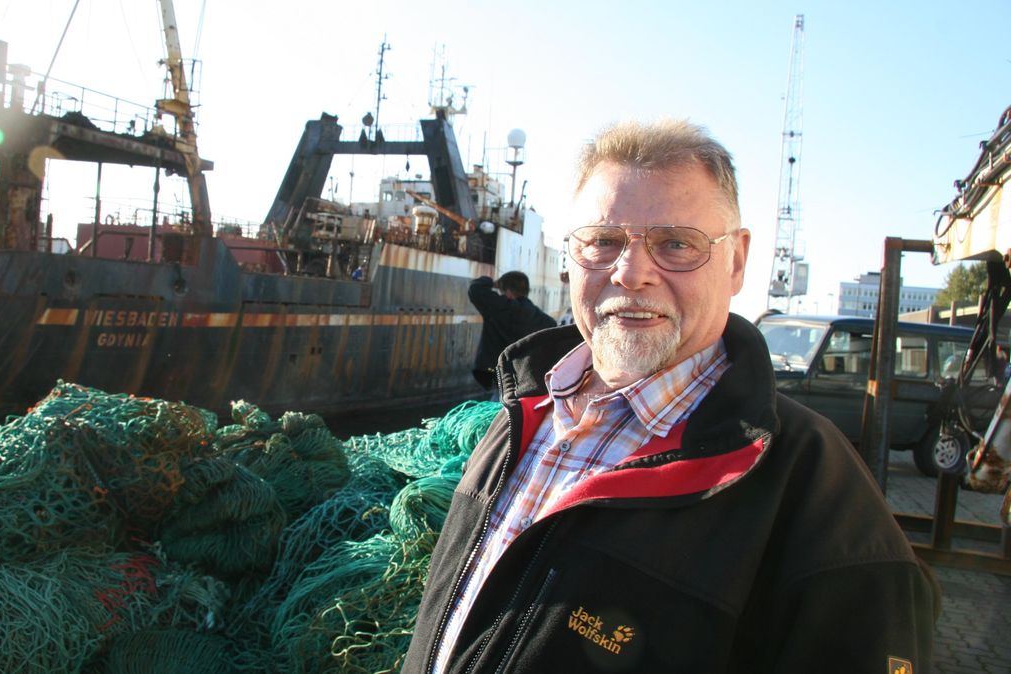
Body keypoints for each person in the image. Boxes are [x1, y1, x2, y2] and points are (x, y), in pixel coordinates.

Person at [402, 120, 938, 673]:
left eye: (676, 243)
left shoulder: (816, 497)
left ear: (736, 261)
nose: (631, 274)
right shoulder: (523, 415)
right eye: (602, 241)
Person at [468, 271, 557, 390]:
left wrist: (494, 283)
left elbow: (475, 289)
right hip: (528, 379)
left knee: (498, 404)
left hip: (499, 377)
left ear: (508, 292)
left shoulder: (499, 309)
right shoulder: (546, 321)